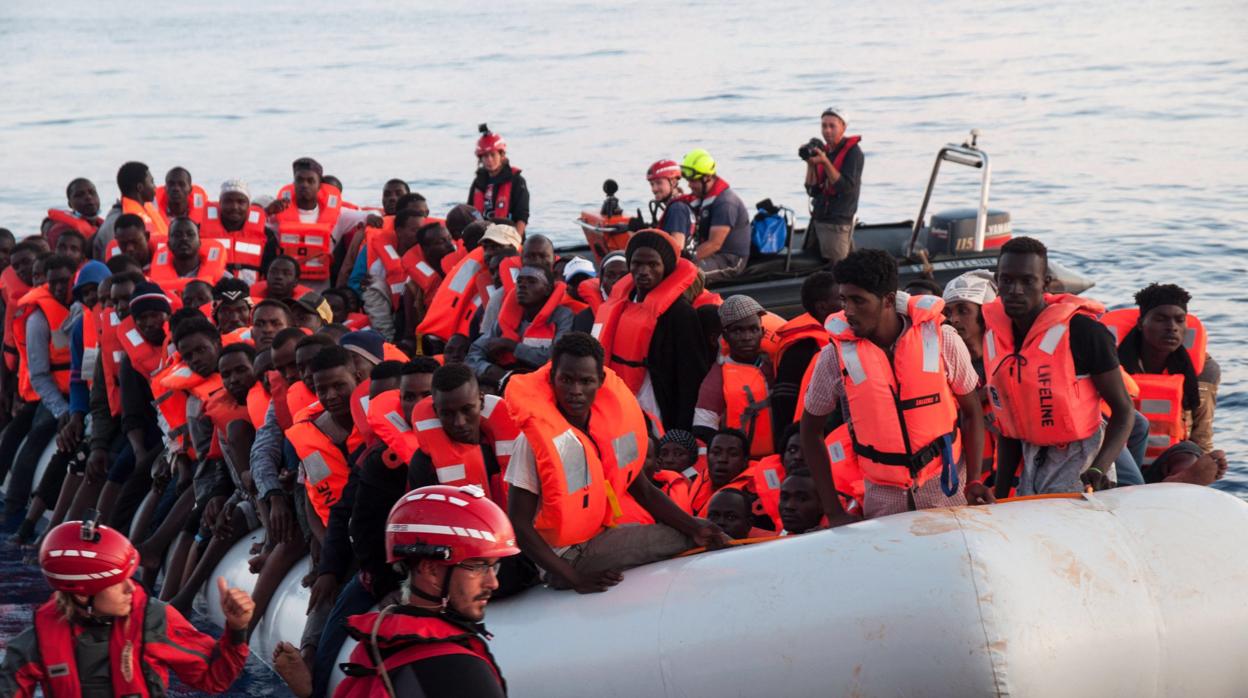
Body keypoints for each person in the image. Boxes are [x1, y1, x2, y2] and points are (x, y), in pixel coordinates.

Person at [505, 333, 728, 593]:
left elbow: (642, 489)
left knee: (696, 532)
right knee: (679, 538)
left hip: (600, 538)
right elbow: (518, 523)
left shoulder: (611, 426)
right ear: (552, 377)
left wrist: (695, 525)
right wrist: (575, 578)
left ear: (600, 381)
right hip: (568, 557)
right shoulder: (533, 440)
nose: (575, 391)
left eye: (585, 381)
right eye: (566, 380)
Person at [801, 249, 991, 524]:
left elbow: (972, 413)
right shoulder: (834, 356)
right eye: (844, 300)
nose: (848, 311)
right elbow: (810, 432)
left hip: (947, 491)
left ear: (888, 300)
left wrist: (973, 480)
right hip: (882, 500)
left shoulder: (942, 339)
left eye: (858, 301)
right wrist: (833, 511)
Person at [275, 484, 516, 698]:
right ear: (430, 569)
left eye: (494, 567)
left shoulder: (373, 648)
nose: (493, 583)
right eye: (478, 567)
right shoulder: (459, 670)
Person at [0, 518, 254, 696]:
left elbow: (213, 679)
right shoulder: (34, 645)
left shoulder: (154, 619)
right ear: (81, 596)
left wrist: (237, 629)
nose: (131, 589)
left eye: (128, 578)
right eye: (116, 583)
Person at [984, 237, 1134, 496]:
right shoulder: (995, 340)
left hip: (1081, 461)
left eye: (1027, 281)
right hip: (1032, 461)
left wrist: (1099, 469)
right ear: (997, 281)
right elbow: (1008, 429)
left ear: (1046, 284)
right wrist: (999, 496)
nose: (1015, 290)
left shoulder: (1084, 333)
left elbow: (1124, 411)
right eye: (1006, 280)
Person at [594, 231, 710, 431]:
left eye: (653, 264)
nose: (643, 271)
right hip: (620, 401)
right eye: (637, 263)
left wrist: (683, 430)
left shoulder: (681, 314)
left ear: (666, 268)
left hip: (659, 410)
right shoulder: (621, 305)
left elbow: (692, 378)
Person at [1, 254, 77, 530]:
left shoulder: (84, 309)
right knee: (37, 435)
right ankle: (12, 508)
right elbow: (40, 375)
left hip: (84, 393)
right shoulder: (38, 320)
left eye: (64, 281)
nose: (59, 288)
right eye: (53, 282)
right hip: (54, 394)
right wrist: (62, 411)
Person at [1104, 283, 1220, 461]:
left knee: (1197, 458)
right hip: (1117, 456)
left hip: (1171, 460)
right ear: (1141, 324)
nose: (1172, 327)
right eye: (1160, 319)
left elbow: (1201, 435)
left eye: (1179, 320)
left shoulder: (1205, 370)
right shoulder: (1108, 363)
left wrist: (1204, 465)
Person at [409, 363, 518, 506]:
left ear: (482, 401)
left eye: (467, 410)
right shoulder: (423, 463)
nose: (459, 422)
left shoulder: (519, 448)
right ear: (436, 411)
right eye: (447, 414)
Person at [694, 295, 776, 458]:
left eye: (753, 329)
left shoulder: (776, 365)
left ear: (762, 332)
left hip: (776, 461)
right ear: (725, 335)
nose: (747, 337)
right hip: (739, 466)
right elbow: (702, 431)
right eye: (738, 330)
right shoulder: (716, 379)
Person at [467, 266, 573, 391]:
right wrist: (494, 372)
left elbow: (557, 359)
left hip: (544, 387)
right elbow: (473, 354)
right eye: (519, 281)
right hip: (505, 384)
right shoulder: (507, 317)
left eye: (532, 281)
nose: (522, 285)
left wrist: (512, 346)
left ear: (547, 289)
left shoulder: (563, 317)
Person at [772, 271, 840, 445]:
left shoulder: (840, 339)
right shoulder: (800, 351)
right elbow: (784, 405)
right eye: (842, 298)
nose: (848, 303)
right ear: (822, 307)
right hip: (810, 444)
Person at [679, 148, 752, 282]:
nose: (689, 185)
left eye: (693, 181)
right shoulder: (703, 196)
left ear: (707, 178)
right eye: (688, 180)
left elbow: (714, 244)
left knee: (685, 273)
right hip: (712, 254)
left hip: (730, 259)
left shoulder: (726, 203)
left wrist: (684, 260)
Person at [803, 107, 864, 264]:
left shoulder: (853, 153)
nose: (827, 131)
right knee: (818, 266)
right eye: (824, 126)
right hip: (818, 219)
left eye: (832, 126)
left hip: (836, 222)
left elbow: (844, 187)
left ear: (843, 127)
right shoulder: (825, 151)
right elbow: (812, 190)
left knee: (837, 270)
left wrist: (824, 162)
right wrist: (810, 165)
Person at [201, 179, 272, 285]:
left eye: (241, 202)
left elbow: (270, 268)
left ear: (248, 205)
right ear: (220, 203)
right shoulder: (198, 232)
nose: (234, 207)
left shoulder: (266, 234)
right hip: (213, 292)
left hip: (252, 294)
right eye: (228, 201)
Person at [468, 124, 530, 234]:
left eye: (493, 155)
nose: (489, 160)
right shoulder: (478, 182)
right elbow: (469, 212)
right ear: (480, 158)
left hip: (509, 238)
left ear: (502, 155)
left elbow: (522, 217)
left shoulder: (517, 181)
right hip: (483, 239)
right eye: (485, 156)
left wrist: (515, 242)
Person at [148, 217, 229, 296]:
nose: (184, 238)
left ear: (200, 243)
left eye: (190, 234)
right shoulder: (151, 283)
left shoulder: (224, 280)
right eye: (177, 235)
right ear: (168, 244)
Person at [645, 159, 695, 253]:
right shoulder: (679, 204)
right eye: (652, 184)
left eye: (659, 183)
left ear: (673, 182)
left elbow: (677, 247)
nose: (654, 189)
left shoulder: (677, 208)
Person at [45, 178, 102, 245]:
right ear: (70, 204)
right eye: (79, 195)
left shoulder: (107, 225)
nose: (88, 197)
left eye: (92, 192)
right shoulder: (61, 231)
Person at [778, 469, 822, 535]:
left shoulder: (839, 539)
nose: (789, 506)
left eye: (802, 499)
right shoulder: (774, 542)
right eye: (784, 498)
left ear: (823, 504)